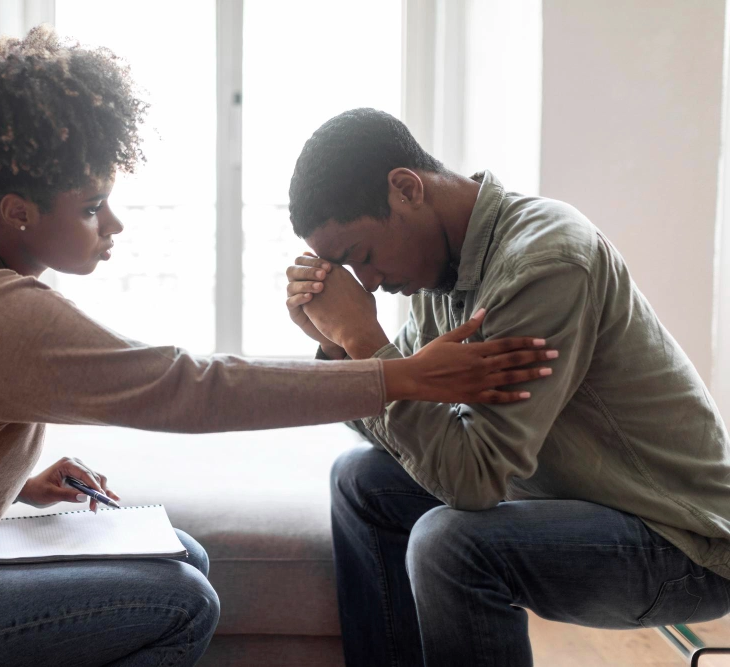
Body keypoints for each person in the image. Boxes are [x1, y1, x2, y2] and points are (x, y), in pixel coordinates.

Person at [0, 29, 554, 667]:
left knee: (186, 557)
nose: (115, 225)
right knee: (181, 602)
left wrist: (10, 486)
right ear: (20, 211)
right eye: (92, 204)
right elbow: (190, 388)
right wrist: (395, 375)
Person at [283, 107, 730, 667]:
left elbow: (475, 480)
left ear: (405, 189)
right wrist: (338, 346)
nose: (369, 284)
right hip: (562, 496)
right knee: (362, 479)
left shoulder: (544, 263)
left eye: (363, 258)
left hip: (678, 538)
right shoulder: (438, 265)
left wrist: (364, 337)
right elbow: (388, 428)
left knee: (450, 544)